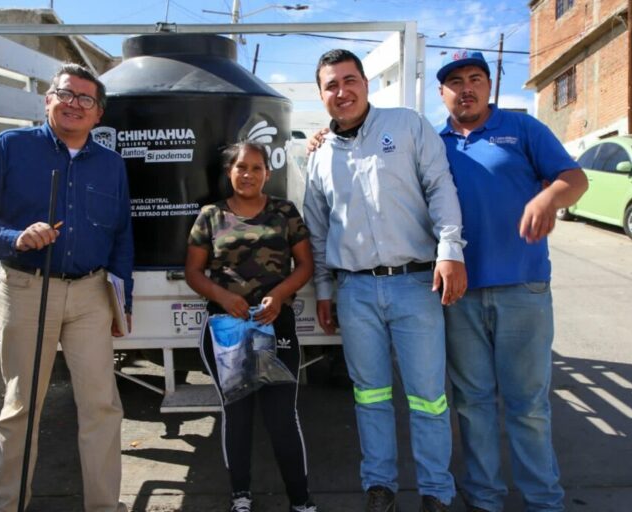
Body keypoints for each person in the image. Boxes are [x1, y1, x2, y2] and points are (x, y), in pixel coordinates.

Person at [0, 63, 133, 512]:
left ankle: (103, 506)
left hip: (92, 295)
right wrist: (13, 236)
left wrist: (121, 301)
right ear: (48, 100)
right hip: (27, 288)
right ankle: (9, 505)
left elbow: (121, 235)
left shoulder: (111, 165)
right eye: (66, 94)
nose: (75, 104)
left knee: (101, 407)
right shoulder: (10, 148)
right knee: (21, 409)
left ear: (99, 114)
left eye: (86, 99)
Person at [303, 49, 466, 512]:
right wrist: (325, 289)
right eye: (331, 85)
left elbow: (440, 188)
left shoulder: (408, 126)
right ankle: (381, 487)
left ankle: (436, 491)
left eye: (349, 80)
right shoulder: (316, 158)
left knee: (428, 398)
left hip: (416, 286)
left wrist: (450, 251)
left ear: (366, 83)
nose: (342, 91)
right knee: (369, 395)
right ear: (321, 95)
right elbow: (318, 231)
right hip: (354, 292)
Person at [436, 51, 587, 512]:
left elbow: (575, 179)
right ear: (441, 93)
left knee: (529, 406)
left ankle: (544, 501)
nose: (467, 88)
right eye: (456, 81)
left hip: (523, 288)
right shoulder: (430, 142)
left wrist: (547, 199)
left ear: (488, 86)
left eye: (476, 78)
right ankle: (484, 499)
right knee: (473, 403)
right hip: (458, 295)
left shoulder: (523, 130)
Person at [185, 142, 317, 512]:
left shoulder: (284, 212)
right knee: (238, 413)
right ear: (230, 172)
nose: (248, 174)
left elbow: (305, 265)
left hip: (277, 326)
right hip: (227, 328)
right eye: (241, 167)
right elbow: (193, 271)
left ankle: (300, 500)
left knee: (281, 414)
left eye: (256, 168)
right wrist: (223, 297)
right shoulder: (210, 215)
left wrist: (278, 296)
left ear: (267, 173)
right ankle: (240, 495)